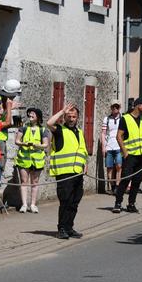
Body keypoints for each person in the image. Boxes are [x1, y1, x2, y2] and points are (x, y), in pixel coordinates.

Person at [46, 102, 89, 240]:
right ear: (65, 117)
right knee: (65, 201)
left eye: (74, 116)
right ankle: (62, 228)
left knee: (75, 201)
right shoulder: (59, 130)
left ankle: (69, 227)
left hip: (77, 172)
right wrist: (61, 111)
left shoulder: (79, 132)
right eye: (69, 116)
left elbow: (82, 150)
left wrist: (85, 163)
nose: (71, 119)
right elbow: (48, 123)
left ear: (77, 118)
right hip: (64, 173)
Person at [114, 97, 142, 213]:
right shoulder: (126, 119)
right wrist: (125, 152)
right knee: (126, 179)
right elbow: (119, 136)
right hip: (131, 155)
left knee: (137, 180)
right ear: (138, 105)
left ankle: (131, 203)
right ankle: (118, 203)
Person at [14, 107, 47, 213]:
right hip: (24, 159)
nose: (30, 115)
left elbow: (46, 144)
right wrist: (24, 143)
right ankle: (24, 204)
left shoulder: (43, 129)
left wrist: (38, 145)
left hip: (37, 160)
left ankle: (33, 204)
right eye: (29, 114)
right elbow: (17, 141)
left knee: (35, 182)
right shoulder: (23, 127)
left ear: (38, 117)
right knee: (24, 182)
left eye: (33, 114)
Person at [100, 101, 124, 190]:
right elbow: (103, 133)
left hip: (119, 146)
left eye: (117, 107)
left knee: (119, 166)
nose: (115, 108)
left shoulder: (122, 118)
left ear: (119, 107)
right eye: (113, 107)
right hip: (109, 146)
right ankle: (112, 185)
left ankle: (117, 186)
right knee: (109, 168)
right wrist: (103, 146)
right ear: (111, 108)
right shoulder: (106, 119)